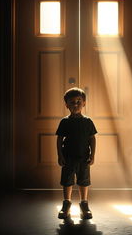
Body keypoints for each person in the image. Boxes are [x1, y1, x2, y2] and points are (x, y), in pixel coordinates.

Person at [56, 87, 97, 220]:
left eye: (79, 101)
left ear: (84, 103)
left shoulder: (88, 122)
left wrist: (93, 155)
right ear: (66, 104)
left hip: (83, 157)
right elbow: (59, 139)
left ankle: (84, 204)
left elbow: (92, 138)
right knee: (67, 181)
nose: (75, 104)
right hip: (68, 157)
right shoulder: (64, 122)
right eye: (72, 102)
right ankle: (66, 204)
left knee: (83, 181)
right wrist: (60, 155)